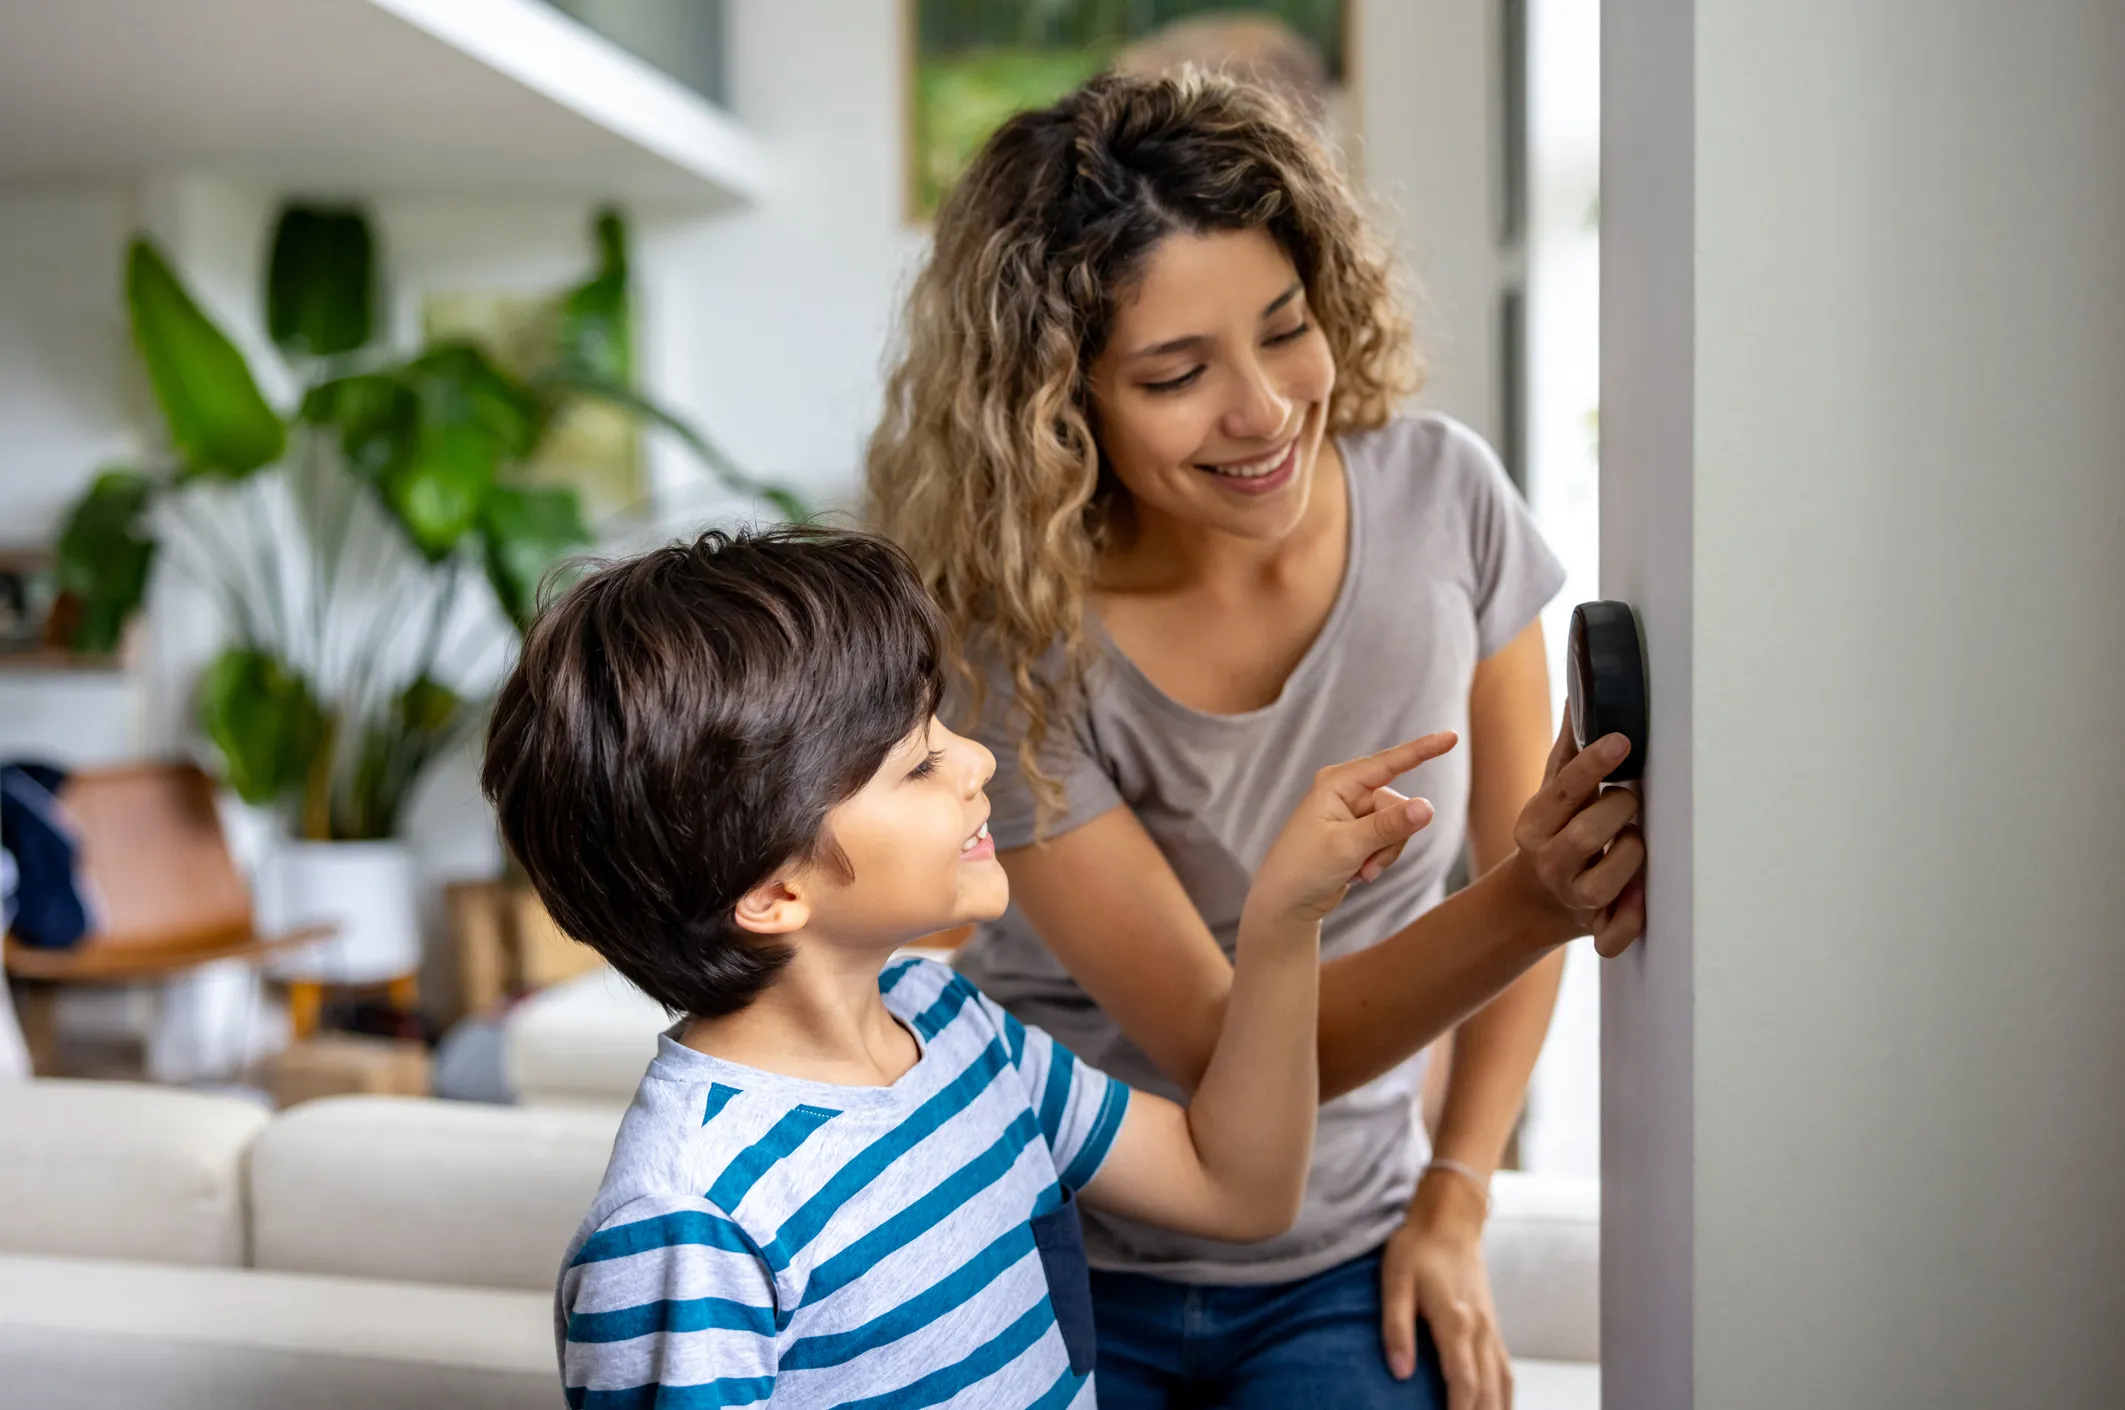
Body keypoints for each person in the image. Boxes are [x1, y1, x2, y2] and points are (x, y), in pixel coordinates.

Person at [867, 69, 1645, 1409]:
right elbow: (1233, 1055)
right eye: (1176, 373)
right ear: (1063, 407)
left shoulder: (1444, 499)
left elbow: (1528, 856)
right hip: (1042, 1231)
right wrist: (1531, 898)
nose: (1265, 409)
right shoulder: (1009, 628)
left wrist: (1457, 1192)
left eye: (1284, 330)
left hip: (1342, 1249)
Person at [480, 526, 1457, 1407]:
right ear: (775, 893)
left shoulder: (950, 1022)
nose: (977, 762)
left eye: (938, 726)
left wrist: (1283, 921)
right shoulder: (688, 1222)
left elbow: (1237, 1188)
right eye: (915, 764)